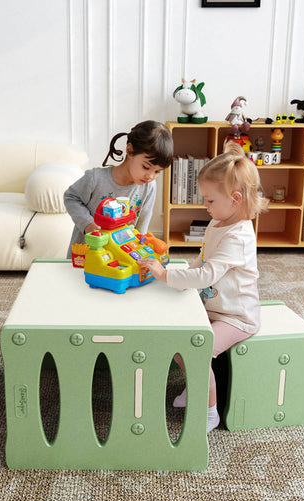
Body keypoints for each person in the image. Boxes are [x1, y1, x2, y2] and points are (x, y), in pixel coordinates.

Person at [138, 141, 269, 433]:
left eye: (209, 200)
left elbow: (207, 274)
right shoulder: (218, 223)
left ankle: (210, 411)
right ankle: (198, 384)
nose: (205, 205)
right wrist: (176, 274)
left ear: (235, 198)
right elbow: (203, 259)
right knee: (178, 341)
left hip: (237, 318)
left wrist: (165, 275)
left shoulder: (239, 237)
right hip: (215, 308)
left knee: (196, 349)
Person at [64, 120, 174, 256]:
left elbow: (143, 222)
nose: (150, 176)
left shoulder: (149, 186)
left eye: (157, 171)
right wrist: (87, 223)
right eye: (146, 167)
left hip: (121, 257)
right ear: (130, 150)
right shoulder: (95, 178)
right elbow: (70, 197)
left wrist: (140, 249)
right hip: (85, 255)